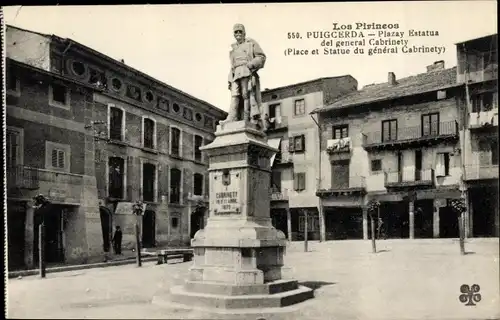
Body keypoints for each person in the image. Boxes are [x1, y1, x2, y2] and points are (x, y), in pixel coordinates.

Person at [226, 23, 266, 126]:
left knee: (246, 94)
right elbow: (232, 65)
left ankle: (246, 118)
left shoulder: (251, 43)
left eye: (240, 31)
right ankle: (232, 117)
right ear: (234, 34)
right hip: (236, 73)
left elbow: (261, 57)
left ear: (244, 33)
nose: (238, 33)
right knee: (234, 94)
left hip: (246, 70)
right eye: (236, 32)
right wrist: (230, 78)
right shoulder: (233, 48)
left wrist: (251, 64)